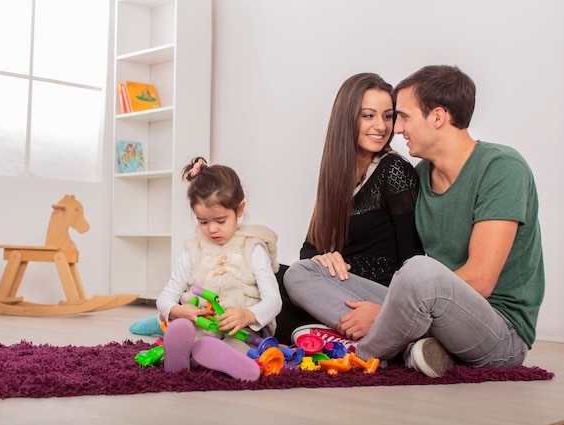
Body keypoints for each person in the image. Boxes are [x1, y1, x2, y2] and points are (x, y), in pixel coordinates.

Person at [285, 65, 545, 378]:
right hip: (430, 312)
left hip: (499, 331)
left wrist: (385, 314)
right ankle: (412, 345)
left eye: (402, 116)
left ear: (437, 117)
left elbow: (480, 280)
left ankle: (362, 355)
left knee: (419, 270)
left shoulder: (502, 168)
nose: (396, 128)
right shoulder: (421, 175)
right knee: (301, 273)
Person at [278, 72, 423, 344]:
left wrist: (384, 309)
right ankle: (335, 337)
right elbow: (310, 248)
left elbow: (411, 261)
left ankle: (383, 335)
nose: (381, 126)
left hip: (383, 299)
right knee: (271, 275)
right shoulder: (337, 176)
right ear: (347, 117)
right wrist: (325, 257)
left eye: (388, 116)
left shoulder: (394, 171)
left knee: (296, 277)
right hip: (341, 291)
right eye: (368, 115)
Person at [132, 157, 282, 381]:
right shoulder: (193, 250)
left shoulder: (252, 247)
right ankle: (191, 356)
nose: (212, 229)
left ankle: (217, 359)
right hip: (203, 326)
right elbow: (166, 297)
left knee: (237, 345)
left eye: (221, 220)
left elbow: (274, 300)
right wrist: (175, 311)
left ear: (239, 209)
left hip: (241, 329)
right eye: (203, 222)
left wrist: (247, 315)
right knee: (190, 337)